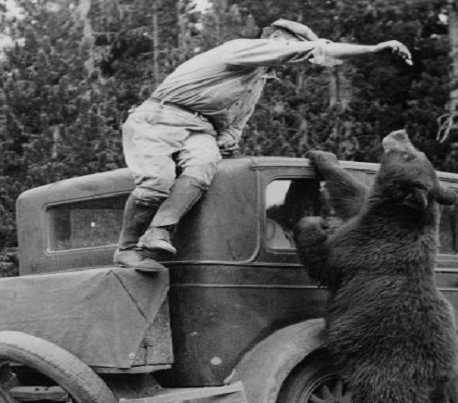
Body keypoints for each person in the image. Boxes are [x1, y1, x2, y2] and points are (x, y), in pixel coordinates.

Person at [114, 19, 413, 272]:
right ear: (276, 38)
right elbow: (316, 50)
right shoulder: (240, 49)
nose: (293, 59)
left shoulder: (258, 79)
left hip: (201, 128)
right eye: (291, 47)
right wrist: (373, 48)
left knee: (204, 167)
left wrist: (228, 139)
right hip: (161, 117)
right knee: (157, 181)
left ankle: (159, 230)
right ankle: (127, 248)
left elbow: (235, 123)